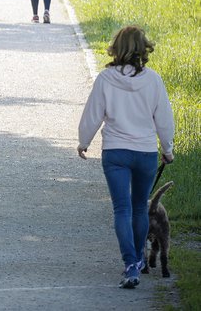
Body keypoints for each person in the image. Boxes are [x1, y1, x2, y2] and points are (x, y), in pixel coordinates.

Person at [77, 25, 175, 289]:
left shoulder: (106, 78)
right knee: (139, 206)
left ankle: (131, 263)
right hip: (145, 152)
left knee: (122, 209)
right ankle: (141, 261)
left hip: (116, 152)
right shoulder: (153, 80)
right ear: (143, 49)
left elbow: (92, 113)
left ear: (116, 48)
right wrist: (167, 148)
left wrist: (84, 141)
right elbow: (163, 118)